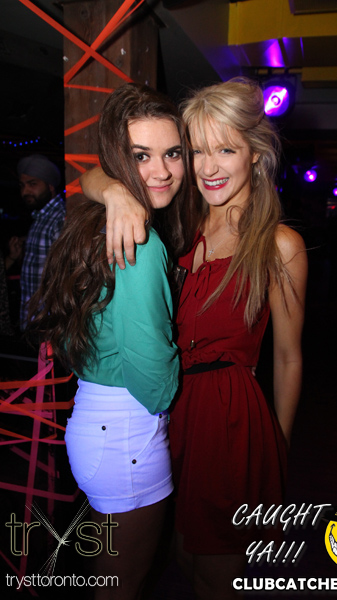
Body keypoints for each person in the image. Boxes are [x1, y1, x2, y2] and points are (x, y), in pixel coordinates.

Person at [81, 77, 307, 600]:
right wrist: (115, 192)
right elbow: (92, 175)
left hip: (229, 421)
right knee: (181, 557)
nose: (208, 167)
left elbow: (289, 359)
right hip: (168, 415)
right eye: (197, 150)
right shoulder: (182, 219)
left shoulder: (279, 244)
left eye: (225, 149)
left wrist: (276, 449)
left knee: (217, 574)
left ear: (255, 153)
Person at [28, 82, 196, 600]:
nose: (161, 171)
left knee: (113, 580)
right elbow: (154, 379)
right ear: (118, 159)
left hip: (98, 424)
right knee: (124, 587)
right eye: (141, 156)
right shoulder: (140, 242)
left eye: (173, 153)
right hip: (127, 433)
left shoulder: (95, 222)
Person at [17, 154, 66, 330]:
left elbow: (65, 277)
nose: (25, 192)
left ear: (50, 186)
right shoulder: (41, 217)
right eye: (22, 186)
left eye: (32, 184)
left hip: (48, 323)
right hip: (34, 319)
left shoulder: (59, 218)